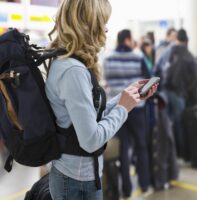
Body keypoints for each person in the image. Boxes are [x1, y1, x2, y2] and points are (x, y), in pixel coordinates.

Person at [46, 1, 157, 199]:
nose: (106, 29)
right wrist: (123, 109)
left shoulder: (70, 63)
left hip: (80, 177)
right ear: (87, 24)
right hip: (76, 182)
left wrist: (124, 97)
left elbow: (88, 115)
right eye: (102, 22)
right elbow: (91, 140)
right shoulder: (73, 71)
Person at [103, 29, 153, 198]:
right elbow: (147, 80)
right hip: (137, 108)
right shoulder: (138, 57)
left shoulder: (108, 58)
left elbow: (107, 81)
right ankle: (145, 185)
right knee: (141, 146)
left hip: (118, 108)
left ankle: (126, 189)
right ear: (128, 40)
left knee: (122, 149)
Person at [163, 29, 197, 158]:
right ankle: (182, 152)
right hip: (179, 94)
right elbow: (195, 77)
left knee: (168, 122)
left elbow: (161, 69)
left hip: (167, 92)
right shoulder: (189, 56)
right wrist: (186, 90)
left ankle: (171, 152)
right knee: (180, 123)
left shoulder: (170, 52)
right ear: (187, 41)